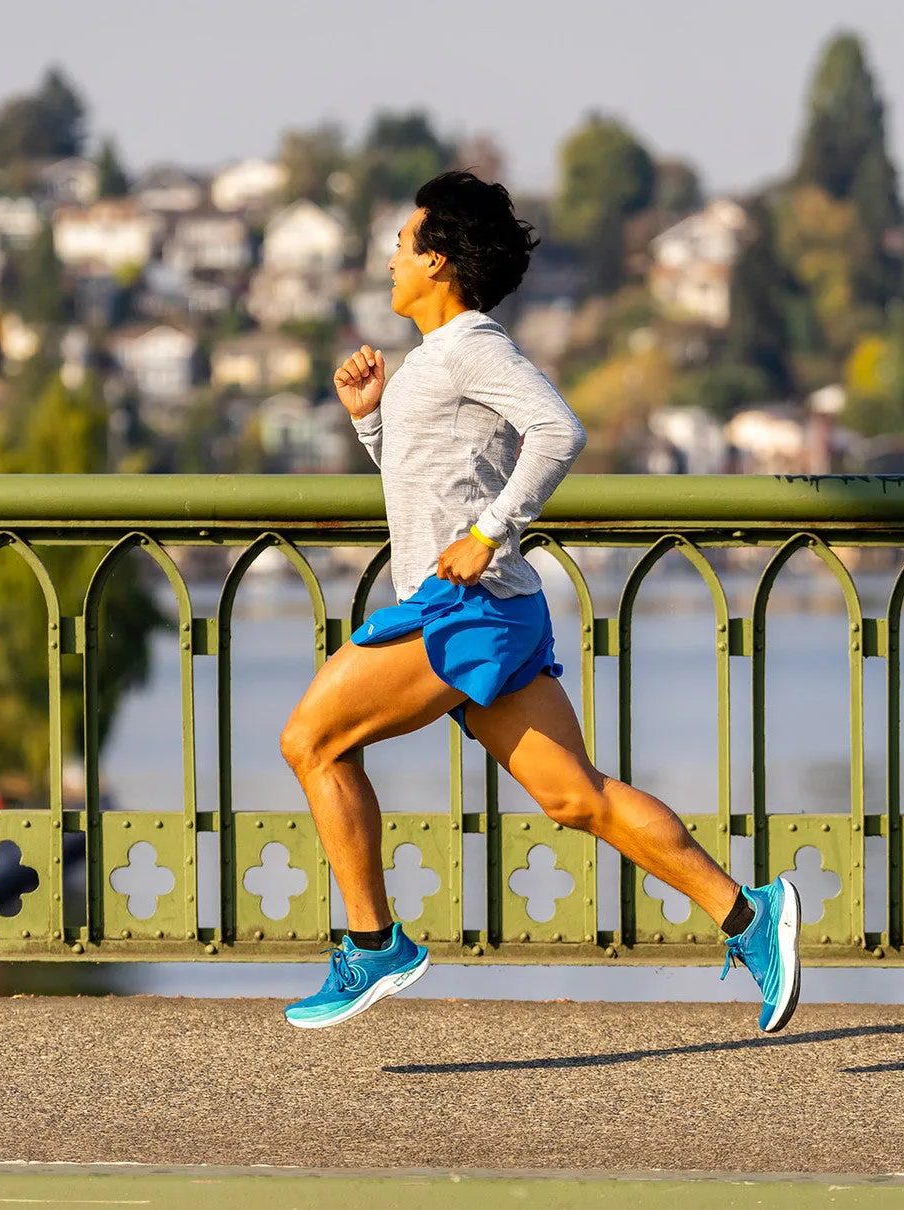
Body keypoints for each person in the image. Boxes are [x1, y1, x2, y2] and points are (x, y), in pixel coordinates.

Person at [279, 171, 800, 1032]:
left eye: (402, 243)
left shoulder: (474, 346)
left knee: (311, 741)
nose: (389, 256)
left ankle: (374, 946)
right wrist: (371, 421)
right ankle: (750, 916)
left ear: (438, 260)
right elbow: (424, 487)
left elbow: (560, 430)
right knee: (576, 799)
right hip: (497, 610)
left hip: (463, 612)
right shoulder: (429, 362)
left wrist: (488, 531)